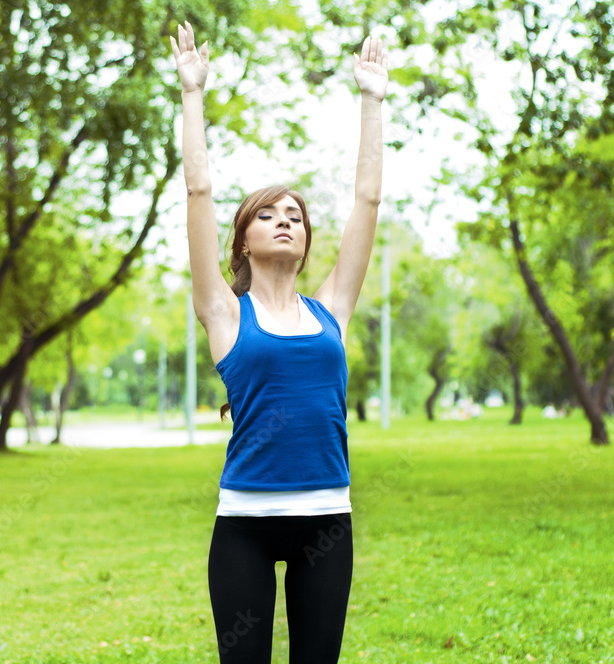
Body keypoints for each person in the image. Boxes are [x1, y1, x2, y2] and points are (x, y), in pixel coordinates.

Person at [170, 20, 388, 664]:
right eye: (267, 214)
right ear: (244, 240)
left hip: (328, 518)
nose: (284, 221)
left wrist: (372, 102)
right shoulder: (223, 314)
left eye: (294, 215)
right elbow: (199, 190)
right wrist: (191, 95)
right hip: (244, 524)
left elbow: (367, 200)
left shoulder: (332, 312)